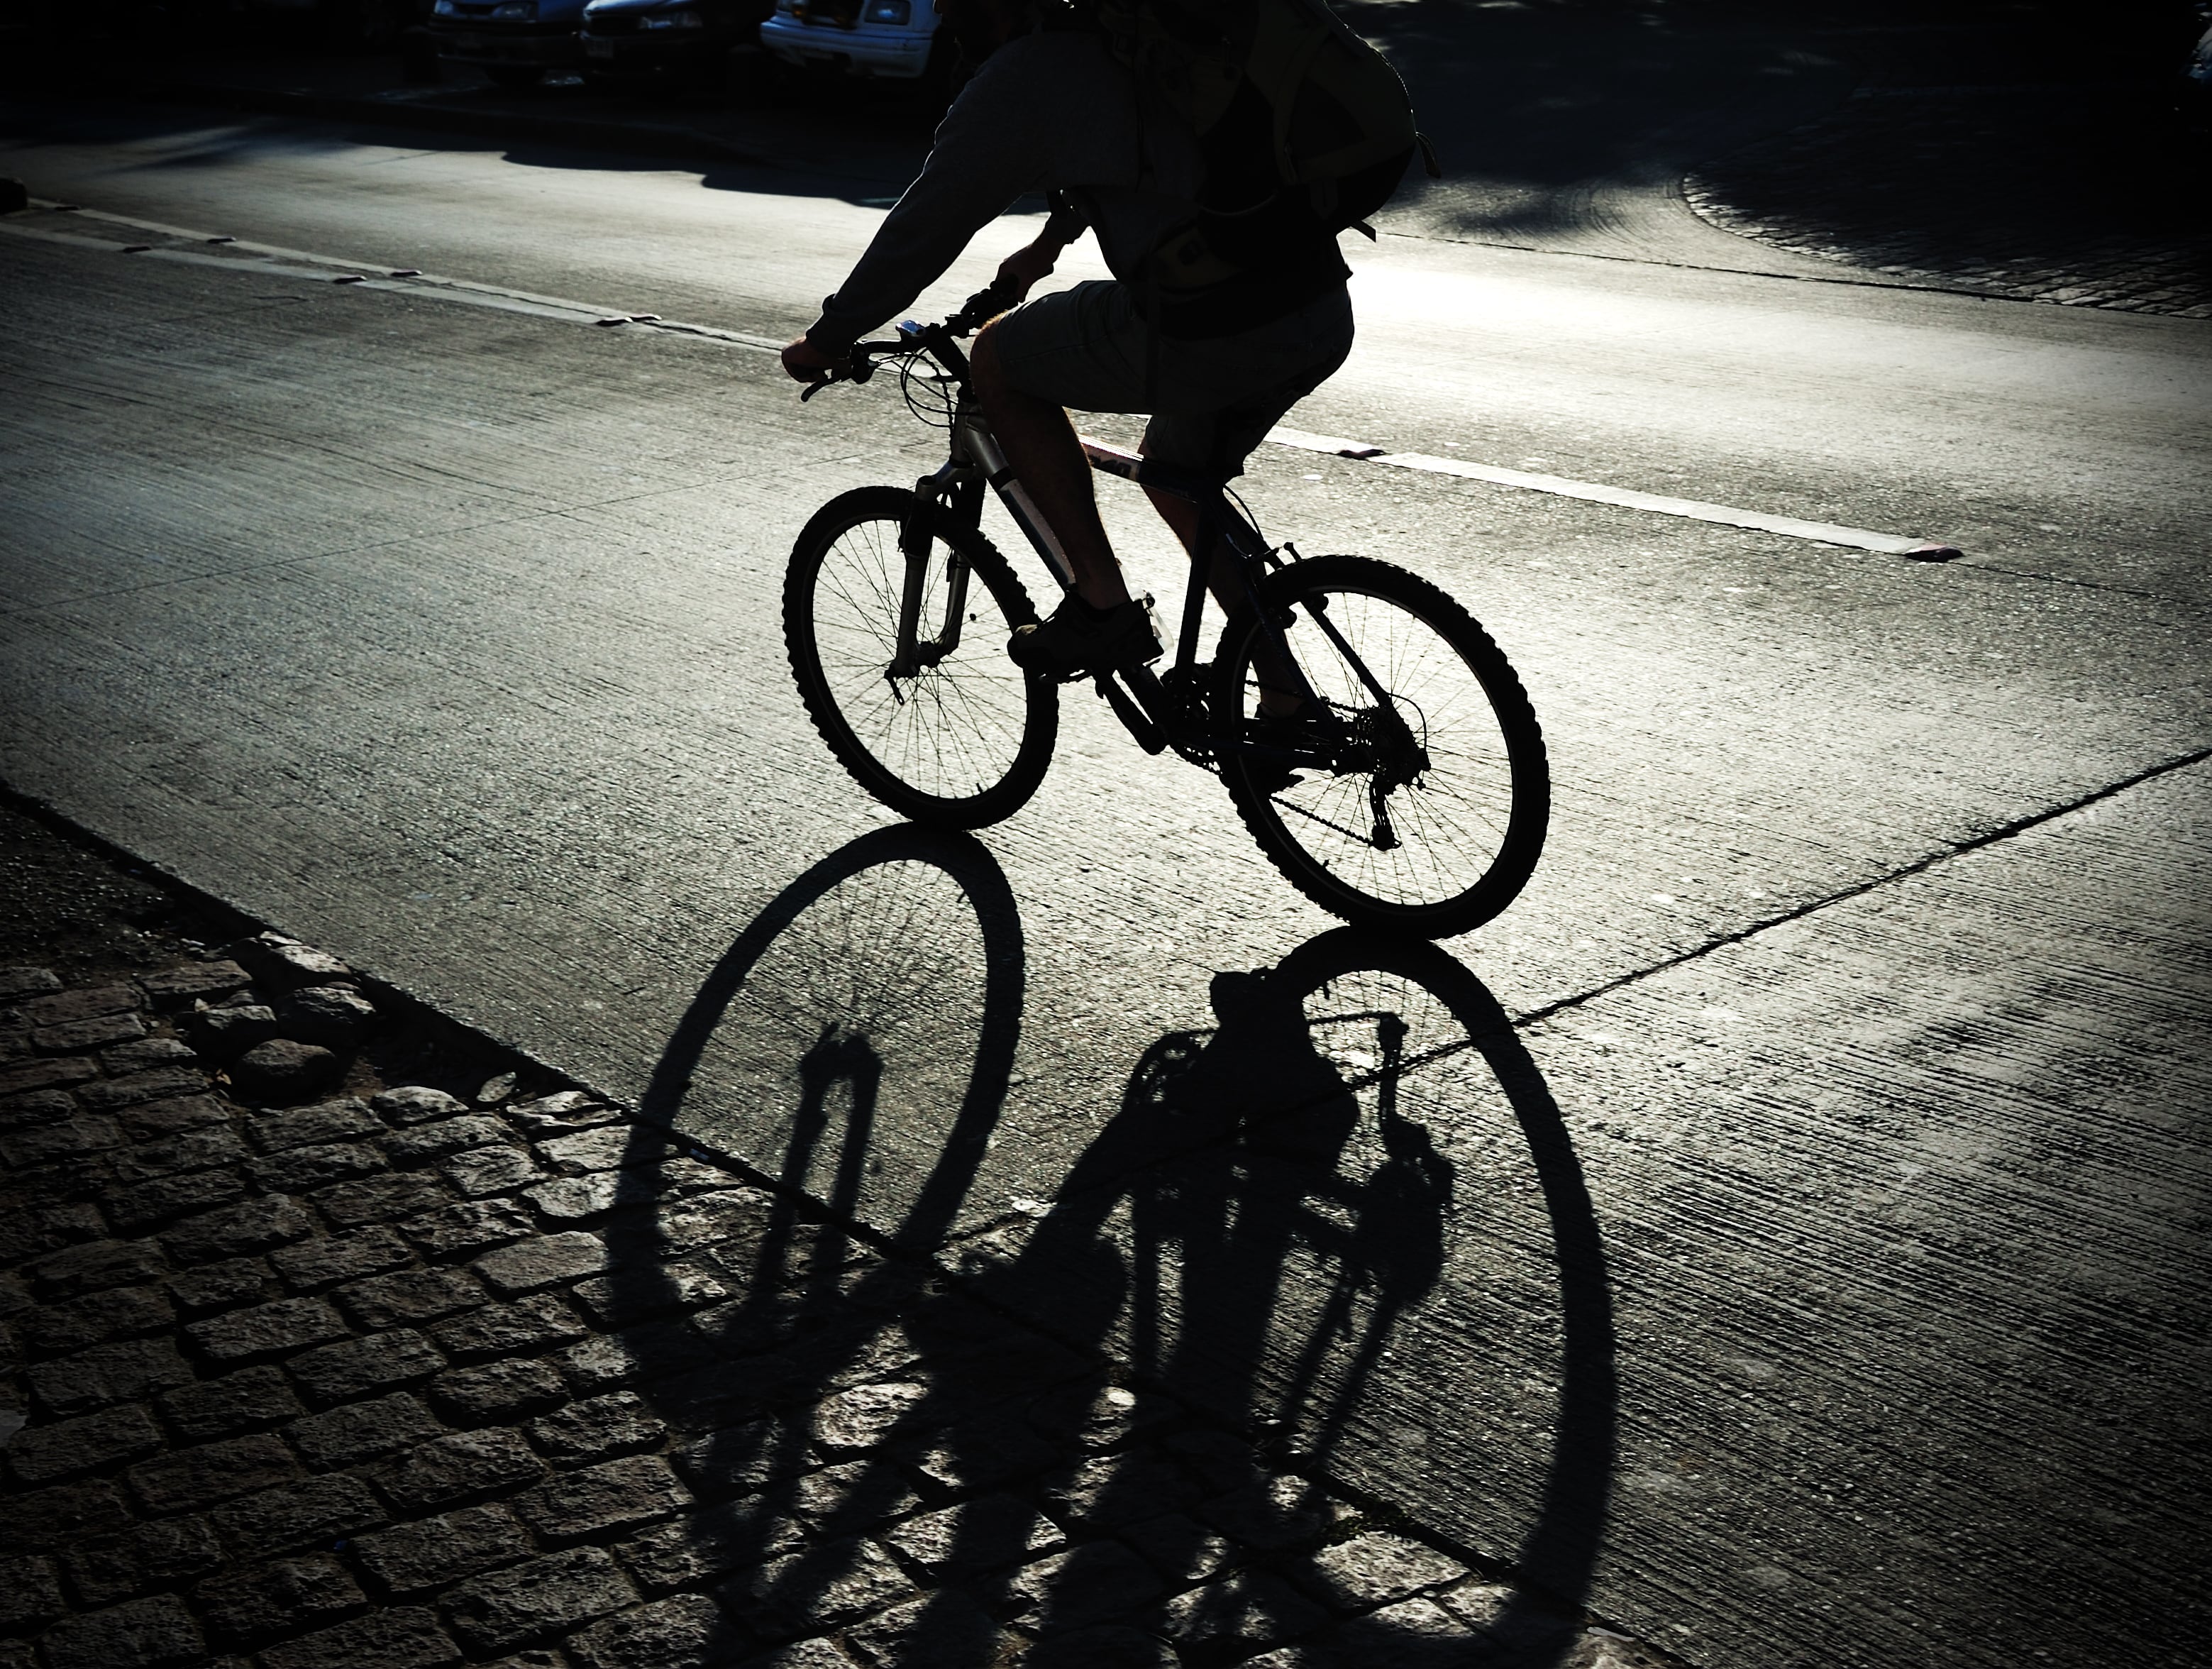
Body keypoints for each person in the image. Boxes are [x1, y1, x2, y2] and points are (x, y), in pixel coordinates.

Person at [780, 0, 1356, 684]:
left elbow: (928, 223)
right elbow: (1149, 151)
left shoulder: (1030, 71)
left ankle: (1102, 607)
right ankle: (1287, 697)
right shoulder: (1147, 37)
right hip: (1314, 305)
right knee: (1173, 475)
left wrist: (830, 336)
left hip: (1207, 325)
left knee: (998, 360)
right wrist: (1045, 246)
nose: (941, 11)